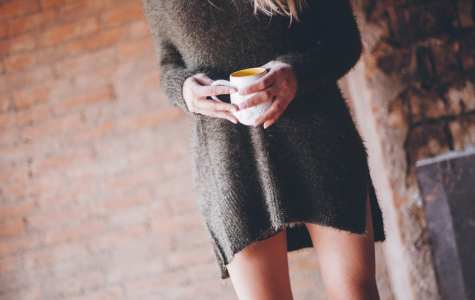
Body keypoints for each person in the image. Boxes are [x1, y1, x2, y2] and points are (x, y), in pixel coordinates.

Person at [142, 0, 387, 299]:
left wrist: (297, 73)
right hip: (229, 160)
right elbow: (168, 65)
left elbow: (345, 41)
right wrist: (183, 90)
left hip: (320, 143)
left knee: (355, 293)